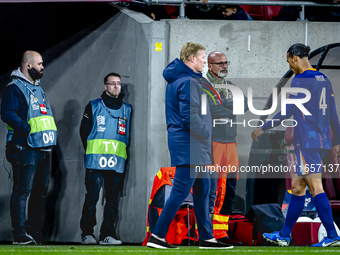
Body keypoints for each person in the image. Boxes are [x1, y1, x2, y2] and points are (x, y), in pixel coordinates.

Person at [251, 43, 340, 247]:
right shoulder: (323, 79)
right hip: (322, 140)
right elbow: (333, 113)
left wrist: (262, 128)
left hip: (307, 141)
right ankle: (284, 235)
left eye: (288, 60)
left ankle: (333, 235)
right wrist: (337, 141)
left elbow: (288, 110)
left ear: (294, 57)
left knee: (316, 187)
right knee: (298, 187)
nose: (289, 65)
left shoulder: (300, 80)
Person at [146, 42, 233, 249]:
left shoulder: (185, 80)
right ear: (192, 59)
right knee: (180, 191)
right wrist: (204, 134)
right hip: (190, 144)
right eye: (203, 57)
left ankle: (206, 237)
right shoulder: (188, 82)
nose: (205, 61)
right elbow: (189, 116)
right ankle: (157, 235)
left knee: (204, 189)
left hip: (193, 144)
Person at [1, 51, 57, 245]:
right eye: (39, 64)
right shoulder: (14, 88)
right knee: (22, 191)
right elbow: (7, 113)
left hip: (42, 148)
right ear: (28, 65)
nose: (42, 67)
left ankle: (34, 233)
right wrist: (25, 129)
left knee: (40, 192)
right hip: (24, 147)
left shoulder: (38, 88)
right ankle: (19, 235)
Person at [79, 72, 132, 245]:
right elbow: (83, 132)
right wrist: (92, 151)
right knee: (92, 197)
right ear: (105, 86)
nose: (116, 86)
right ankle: (87, 234)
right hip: (95, 160)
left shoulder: (127, 109)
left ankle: (107, 235)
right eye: (112, 83)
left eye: (119, 83)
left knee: (112, 199)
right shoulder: (93, 106)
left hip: (116, 161)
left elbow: (127, 136)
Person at [205, 51, 248, 246]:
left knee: (229, 189)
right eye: (219, 63)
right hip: (212, 143)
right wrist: (230, 106)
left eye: (225, 62)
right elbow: (210, 109)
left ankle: (221, 233)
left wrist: (223, 104)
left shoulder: (230, 86)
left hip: (231, 143)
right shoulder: (203, 85)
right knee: (211, 190)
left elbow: (245, 105)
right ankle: (205, 232)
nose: (224, 66)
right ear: (209, 65)